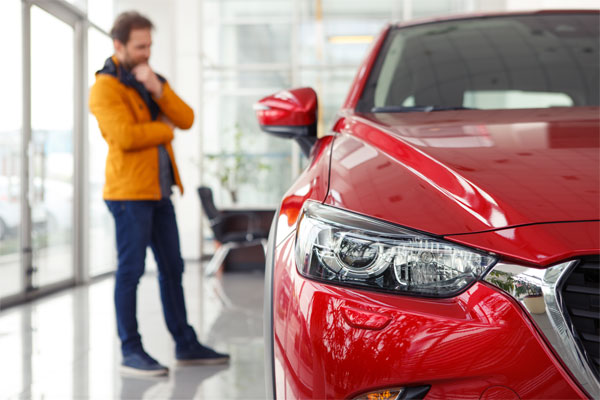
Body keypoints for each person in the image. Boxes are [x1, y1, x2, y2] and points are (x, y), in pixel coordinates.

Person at [89, 11, 229, 377]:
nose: (146, 52)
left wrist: (158, 89)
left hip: (159, 192)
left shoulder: (149, 79)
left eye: (149, 45)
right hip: (128, 194)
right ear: (118, 45)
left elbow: (185, 118)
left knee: (173, 268)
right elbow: (125, 137)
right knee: (131, 271)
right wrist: (162, 130)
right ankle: (130, 350)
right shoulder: (105, 88)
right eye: (139, 46)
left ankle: (185, 344)